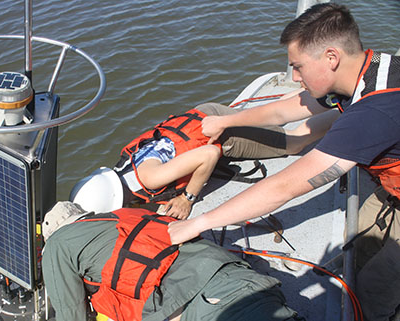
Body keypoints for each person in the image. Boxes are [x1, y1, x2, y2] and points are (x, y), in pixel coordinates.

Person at [168, 4, 400, 321]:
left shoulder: (374, 112)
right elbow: (284, 111)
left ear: (331, 57)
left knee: (374, 292)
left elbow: (285, 186)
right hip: (391, 186)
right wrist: (230, 120)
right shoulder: (368, 69)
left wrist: (197, 222)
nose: (293, 76)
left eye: (298, 66)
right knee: (358, 243)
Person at [70, 97, 338, 220]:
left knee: (294, 141)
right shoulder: (124, 165)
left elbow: (209, 154)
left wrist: (187, 199)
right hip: (200, 115)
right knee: (271, 117)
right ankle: (313, 96)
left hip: (221, 133)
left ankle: (345, 111)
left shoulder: (150, 178)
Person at [41, 201, 299, 321]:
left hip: (212, 305)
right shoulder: (129, 213)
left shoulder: (57, 244)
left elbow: (70, 315)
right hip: (246, 280)